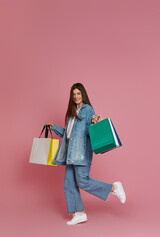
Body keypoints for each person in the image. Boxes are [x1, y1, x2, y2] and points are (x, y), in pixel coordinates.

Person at [47, 83, 126, 225]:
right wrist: (54, 128)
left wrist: (94, 121)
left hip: (81, 153)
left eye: (79, 93)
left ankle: (114, 188)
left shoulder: (87, 110)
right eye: (74, 94)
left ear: (83, 94)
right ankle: (79, 213)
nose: (76, 96)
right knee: (69, 183)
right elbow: (68, 134)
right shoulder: (72, 113)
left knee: (82, 181)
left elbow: (90, 130)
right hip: (71, 154)